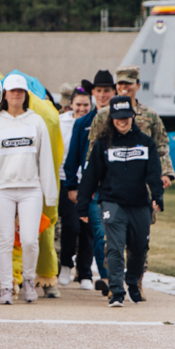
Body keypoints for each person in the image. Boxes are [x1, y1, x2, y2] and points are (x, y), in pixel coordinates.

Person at [0, 74, 58, 304]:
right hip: (1, 189)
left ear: (25, 95)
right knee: (4, 240)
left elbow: (46, 160)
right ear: (5, 95)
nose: (16, 95)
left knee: (30, 240)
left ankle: (28, 281)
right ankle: (6, 287)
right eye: (12, 91)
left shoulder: (37, 122)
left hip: (31, 189)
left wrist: (50, 194)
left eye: (20, 91)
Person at [77, 96, 164, 306]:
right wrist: (82, 205)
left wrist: (157, 196)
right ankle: (116, 291)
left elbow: (154, 172)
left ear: (132, 116)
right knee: (115, 248)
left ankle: (132, 281)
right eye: (118, 117)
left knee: (139, 248)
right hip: (111, 202)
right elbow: (91, 176)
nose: (122, 121)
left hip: (139, 204)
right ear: (112, 118)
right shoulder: (103, 144)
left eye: (126, 117)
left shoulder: (146, 143)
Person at [63, 69, 116, 293]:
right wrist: (72, 186)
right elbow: (72, 158)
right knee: (97, 232)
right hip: (91, 187)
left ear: (114, 92)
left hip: (116, 186)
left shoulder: (121, 120)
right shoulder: (83, 123)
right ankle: (106, 277)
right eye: (99, 90)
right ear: (93, 92)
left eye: (107, 90)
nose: (103, 95)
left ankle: (110, 275)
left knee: (113, 234)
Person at [58, 86, 93, 286]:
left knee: (88, 228)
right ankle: (66, 264)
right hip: (66, 179)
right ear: (70, 104)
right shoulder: (61, 122)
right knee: (71, 225)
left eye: (85, 105)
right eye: (78, 104)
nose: (82, 108)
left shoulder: (94, 121)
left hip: (88, 181)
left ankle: (85, 272)